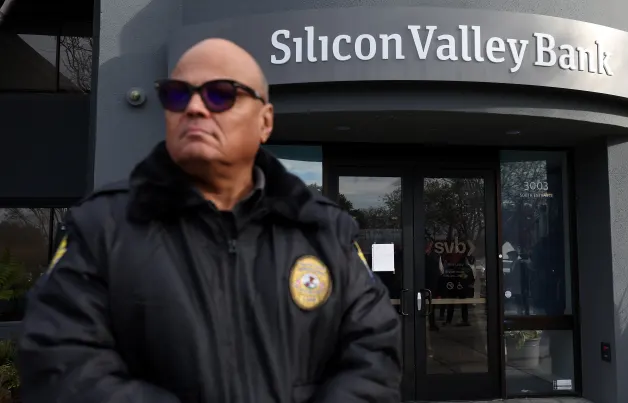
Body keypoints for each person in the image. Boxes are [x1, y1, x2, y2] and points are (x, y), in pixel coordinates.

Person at [17, 38, 402, 403]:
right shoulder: (101, 227)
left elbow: (374, 352)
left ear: (265, 121)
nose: (195, 108)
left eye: (221, 94)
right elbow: (59, 362)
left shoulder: (325, 230)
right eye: (177, 94)